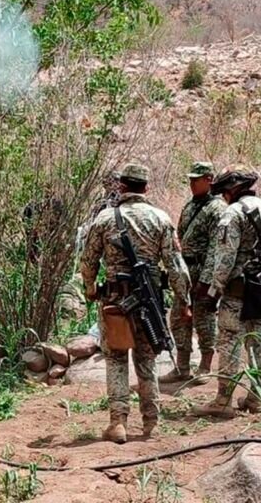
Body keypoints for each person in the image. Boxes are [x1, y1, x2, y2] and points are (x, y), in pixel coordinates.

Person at [80, 163, 192, 444]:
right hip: (148, 301)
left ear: (121, 187)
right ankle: (151, 423)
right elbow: (176, 266)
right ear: (146, 188)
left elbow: (88, 260)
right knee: (147, 360)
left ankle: (118, 423)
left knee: (116, 360)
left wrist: (90, 289)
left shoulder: (105, 219)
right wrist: (184, 299)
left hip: (115, 300)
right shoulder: (160, 218)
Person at [193, 165, 261, 418]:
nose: (223, 196)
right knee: (259, 344)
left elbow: (224, 259)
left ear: (233, 189)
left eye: (225, 191)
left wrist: (213, 292)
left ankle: (223, 401)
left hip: (236, 293)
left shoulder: (232, 215)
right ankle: (257, 398)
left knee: (230, 343)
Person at [158, 162, 226, 384]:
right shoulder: (190, 206)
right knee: (178, 319)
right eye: (190, 180)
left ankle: (206, 366)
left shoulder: (217, 209)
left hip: (202, 270)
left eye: (196, 179)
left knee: (204, 319)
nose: (192, 184)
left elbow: (216, 248)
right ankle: (183, 366)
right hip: (185, 271)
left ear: (209, 179)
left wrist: (207, 281)